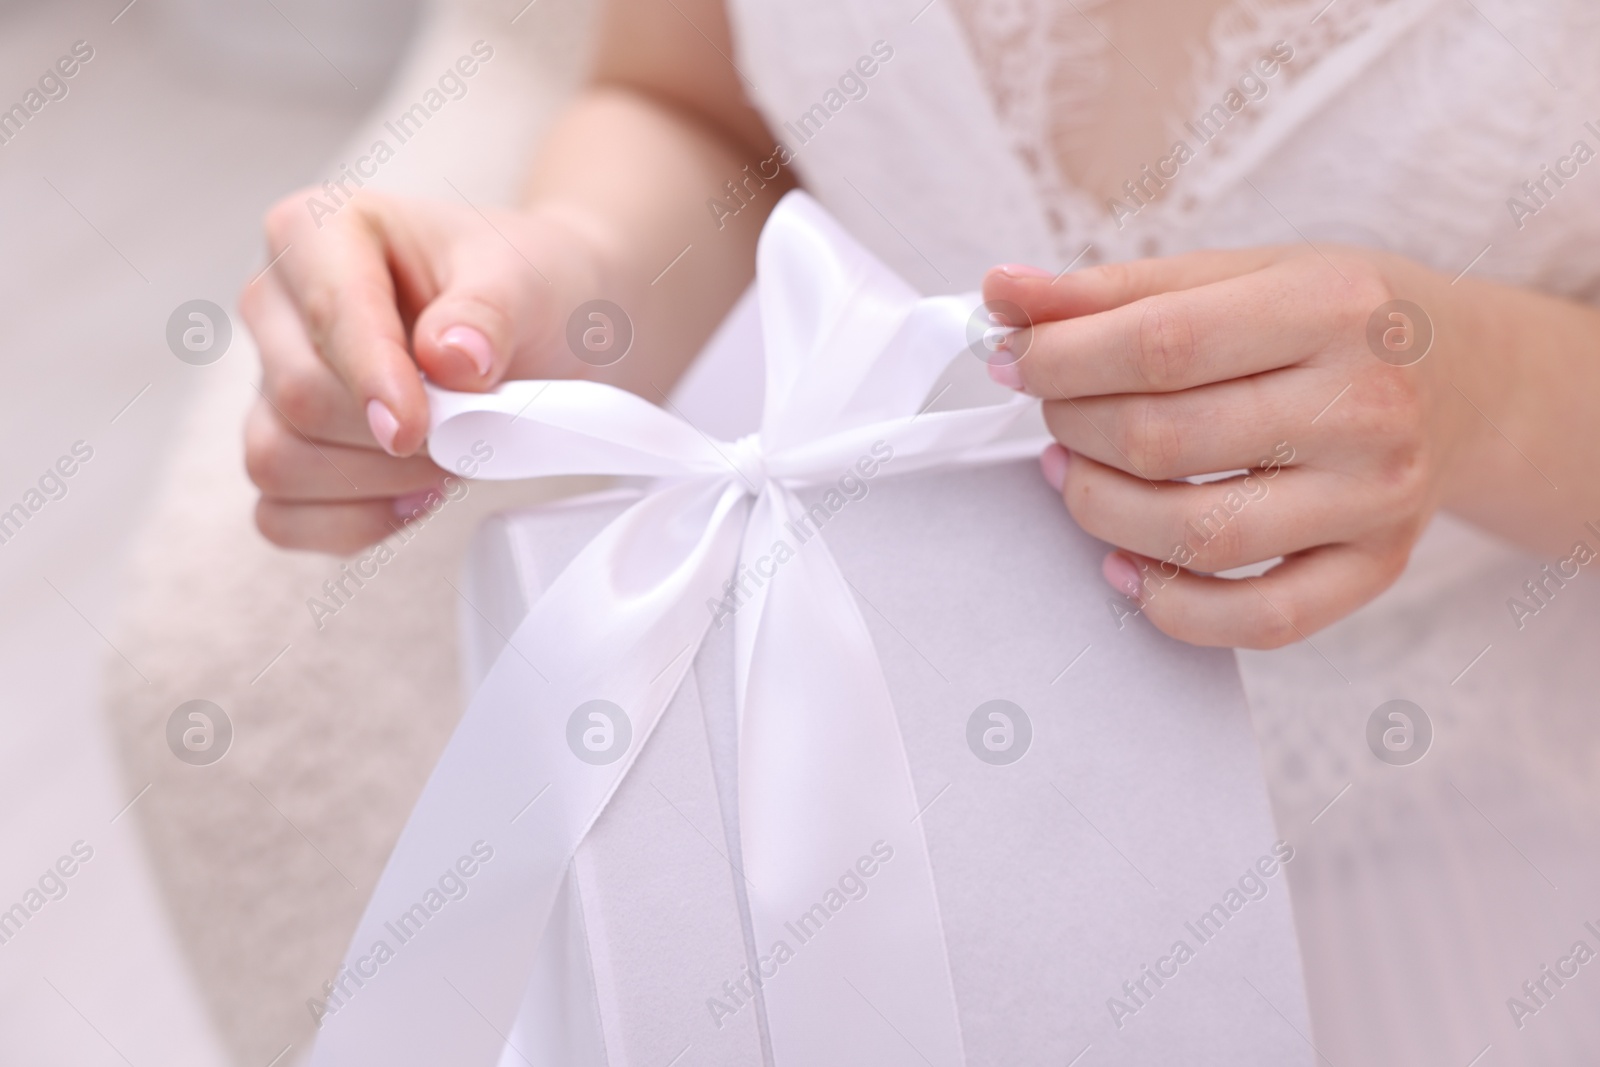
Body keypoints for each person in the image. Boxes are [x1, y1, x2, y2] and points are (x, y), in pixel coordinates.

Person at [241, 0, 1600, 1061]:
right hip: (881, 834)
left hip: (1466, 877)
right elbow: (696, 105)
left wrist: (1477, 389)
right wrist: (567, 283)